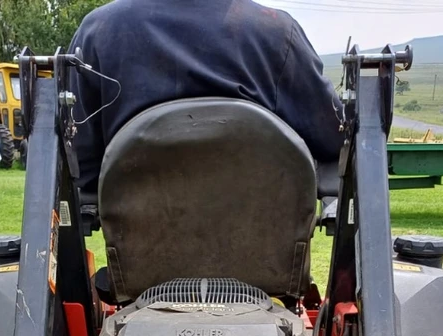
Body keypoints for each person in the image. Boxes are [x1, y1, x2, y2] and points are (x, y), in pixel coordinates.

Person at [68, 0, 344, 193]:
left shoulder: (98, 31)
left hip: (140, 262)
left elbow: (78, 166)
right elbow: (334, 138)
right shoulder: (278, 33)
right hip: (268, 259)